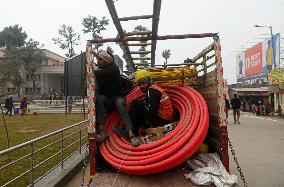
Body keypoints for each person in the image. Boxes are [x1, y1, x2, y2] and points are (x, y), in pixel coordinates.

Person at [93, 49, 139, 147]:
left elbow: (99, 73)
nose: (98, 61)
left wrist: (90, 71)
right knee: (100, 99)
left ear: (106, 60)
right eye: (97, 59)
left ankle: (131, 134)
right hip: (108, 100)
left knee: (120, 105)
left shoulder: (113, 69)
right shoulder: (102, 71)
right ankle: (102, 131)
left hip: (117, 97)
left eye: (100, 59)